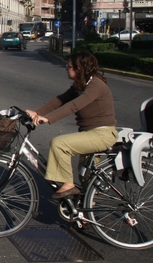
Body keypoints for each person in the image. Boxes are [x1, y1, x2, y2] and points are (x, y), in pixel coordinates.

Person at [26, 51, 118, 199]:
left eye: (68, 66)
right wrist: (36, 113)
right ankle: (84, 217)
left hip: (103, 134)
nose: (66, 69)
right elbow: (60, 100)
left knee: (59, 144)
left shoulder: (95, 85)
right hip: (90, 134)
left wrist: (48, 119)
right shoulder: (81, 84)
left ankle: (68, 184)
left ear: (79, 69)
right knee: (85, 175)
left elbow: (74, 105)